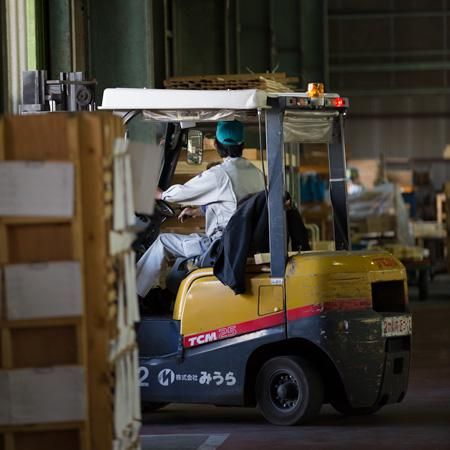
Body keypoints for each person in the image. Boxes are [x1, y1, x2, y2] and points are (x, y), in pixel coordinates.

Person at [136, 120, 265, 298]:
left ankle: (132, 297)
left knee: (163, 242)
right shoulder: (256, 174)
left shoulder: (220, 174)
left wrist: (161, 195)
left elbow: (185, 192)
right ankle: (169, 298)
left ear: (216, 144)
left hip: (220, 246)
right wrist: (197, 211)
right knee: (182, 256)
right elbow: (235, 205)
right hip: (241, 244)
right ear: (242, 144)